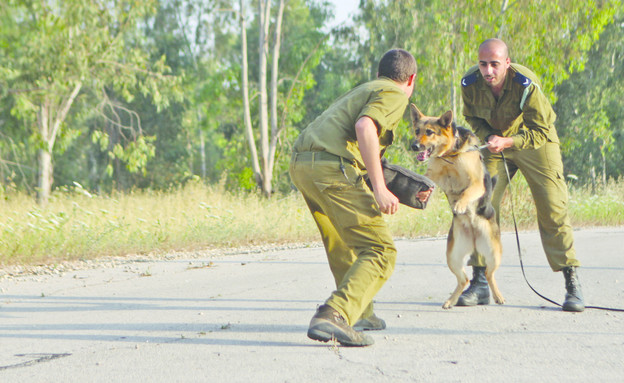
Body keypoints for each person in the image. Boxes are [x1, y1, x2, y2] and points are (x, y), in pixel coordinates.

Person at [289, 49, 429, 346]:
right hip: (330, 168)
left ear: (381, 72)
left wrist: (395, 184)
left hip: (303, 165)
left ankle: (361, 313)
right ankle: (335, 314)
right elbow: (365, 127)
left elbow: (362, 152)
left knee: (342, 243)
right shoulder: (395, 94)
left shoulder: (366, 88)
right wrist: (379, 190)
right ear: (411, 79)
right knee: (380, 250)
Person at [460, 38, 584, 312]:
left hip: (534, 141)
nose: (488, 71)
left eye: (494, 64)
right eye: (483, 64)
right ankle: (480, 282)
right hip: (496, 141)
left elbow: (541, 128)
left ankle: (571, 281)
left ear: (506, 63)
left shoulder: (525, 83)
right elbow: (472, 119)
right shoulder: (469, 84)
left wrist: (509, 142)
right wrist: (489, 137)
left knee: (553, 206)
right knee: (481, 204)